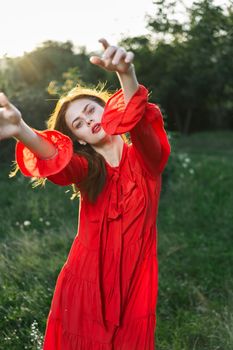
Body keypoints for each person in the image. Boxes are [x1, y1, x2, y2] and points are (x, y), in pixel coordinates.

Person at [0, 38, 171, 349]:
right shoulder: (86, 170)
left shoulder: (146, 161)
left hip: (135, 282)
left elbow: (142, 123)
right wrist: (21, 128)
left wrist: (126, 74)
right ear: (77, 139)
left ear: (109, 109)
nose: (88, 120)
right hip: (86, 283)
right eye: (77, 123)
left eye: (91, 110)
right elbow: (57, 161)